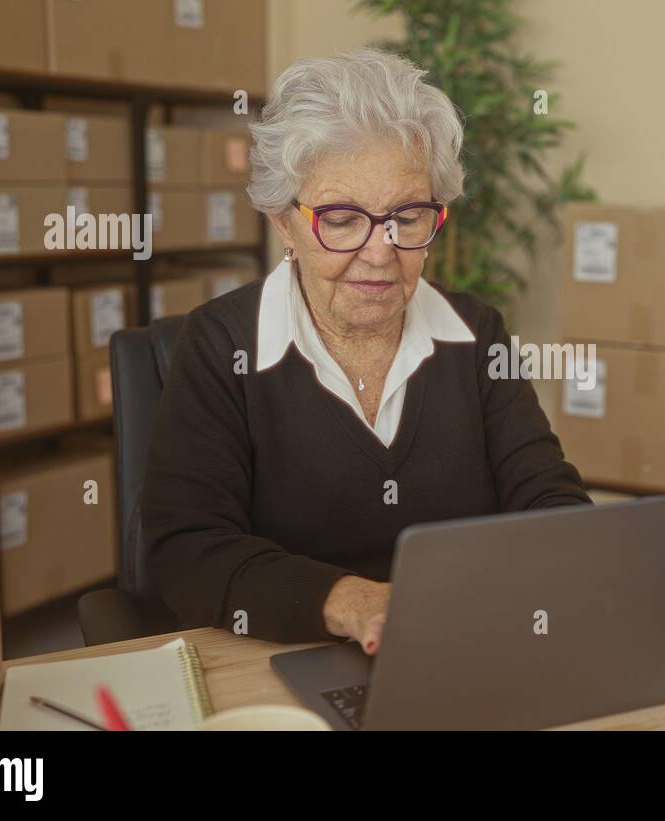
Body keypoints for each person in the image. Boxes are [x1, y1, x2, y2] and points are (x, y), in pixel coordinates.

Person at [142, 49, 590, 654]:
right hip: (283, 664)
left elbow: (548, 497)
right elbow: (187, 547)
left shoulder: (476, 332)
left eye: (407, 217)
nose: (381, 251)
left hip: (462, 646)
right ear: (283, 221)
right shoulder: (221, 345)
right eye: (343, 218)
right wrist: (353, 604)